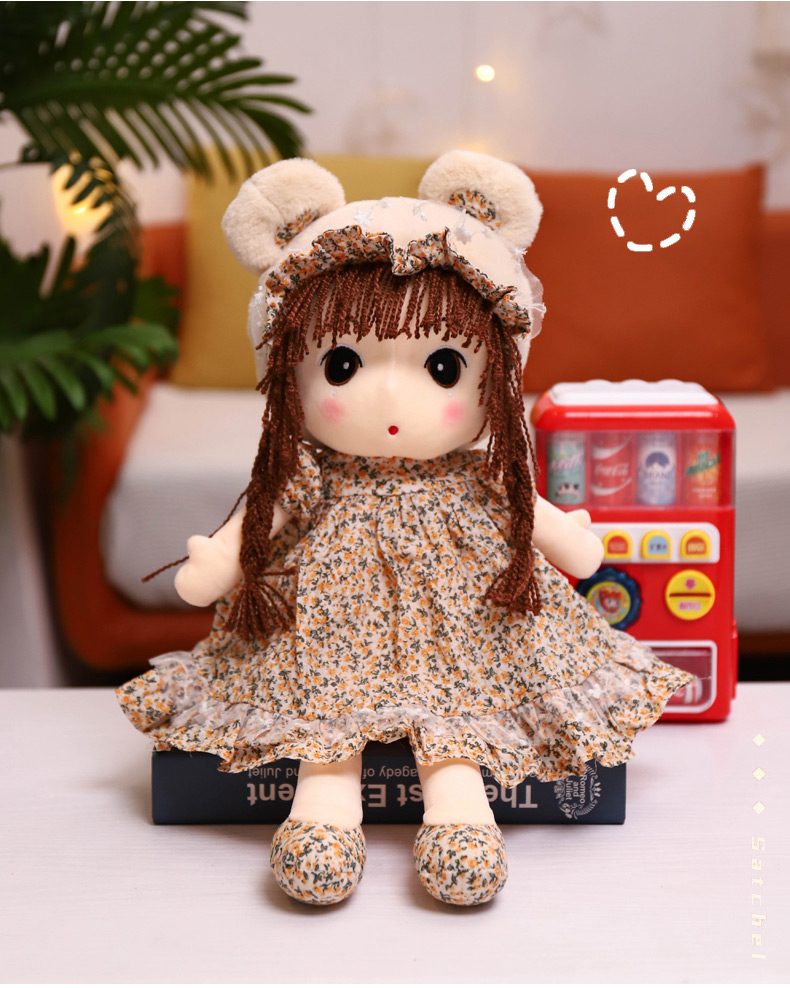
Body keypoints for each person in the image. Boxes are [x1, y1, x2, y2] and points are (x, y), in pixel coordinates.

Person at [117, 151, 693, 907]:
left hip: (462, 628)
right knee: (323, 717)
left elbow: (534, 516)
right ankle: (322, 819)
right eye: (342, 365)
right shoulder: (313, 473)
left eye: (444, 368)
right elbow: (261, 518)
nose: (391, 400)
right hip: (329, 631)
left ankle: (461, 821)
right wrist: (218, 560)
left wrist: (571, 541)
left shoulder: (478, 473)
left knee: (455, 718)